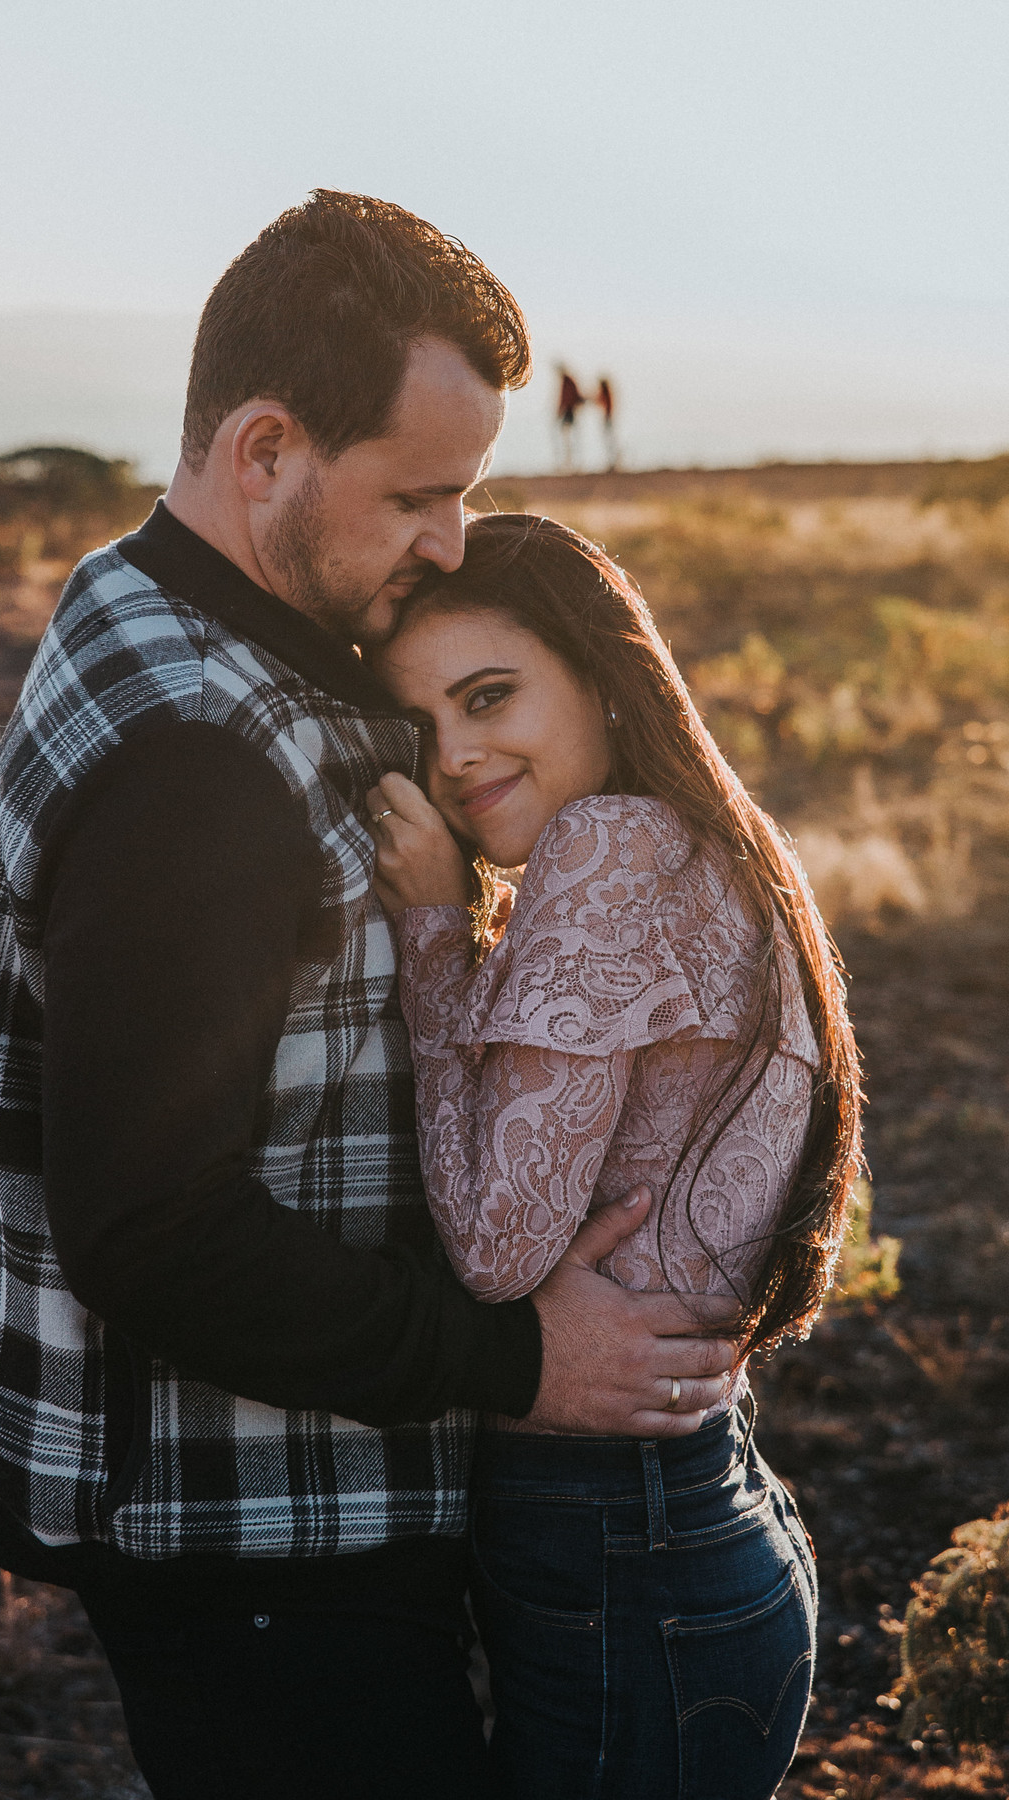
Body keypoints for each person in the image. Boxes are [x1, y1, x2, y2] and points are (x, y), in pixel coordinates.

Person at [0, 192, 740, 1800]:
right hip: (245, 1546)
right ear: (266, 451)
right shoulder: (200, 770)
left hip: (248, 1503)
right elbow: (155, 1231)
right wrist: (523, 1367)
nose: (450, 543)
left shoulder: (145, 596)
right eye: (419, 496)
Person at [368, 512, 864, 1799]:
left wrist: (431, 932)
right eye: (421, 728)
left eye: (490, 695)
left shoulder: (605, 852)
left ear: (600, 671)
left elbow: (491, 1244)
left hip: (622, 1556)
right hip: (705, 1518)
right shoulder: (721, 847)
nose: (458, 757)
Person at [555, 366, 585, 471]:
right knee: (569, 436)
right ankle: (571, 462)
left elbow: (566, 398)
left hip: (569, 411)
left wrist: (560, 411)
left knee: (569, 436)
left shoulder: (567, 382)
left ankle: (571, 462)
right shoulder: (568, 381)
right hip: (569, 411)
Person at [595, 373, 619, 469]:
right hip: (607, 417)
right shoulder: (605, 392)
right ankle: (612, 462)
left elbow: (603, 403)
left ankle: (613, 462)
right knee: (609, 439)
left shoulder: (606, 392)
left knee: (609, 440)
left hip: (607, 417)